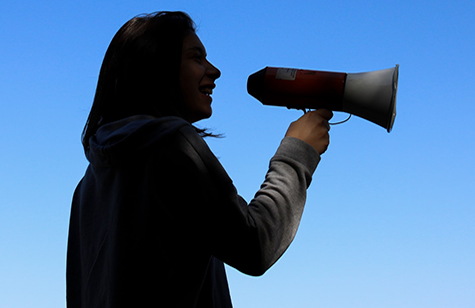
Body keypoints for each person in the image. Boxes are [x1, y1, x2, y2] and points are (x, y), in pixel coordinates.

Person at [67, 11, 333, 308]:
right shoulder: (173, 143)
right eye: (197, 58)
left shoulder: (86, 187)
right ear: (157, 68)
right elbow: (256, 244)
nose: (214, 71)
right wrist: (298, 152)